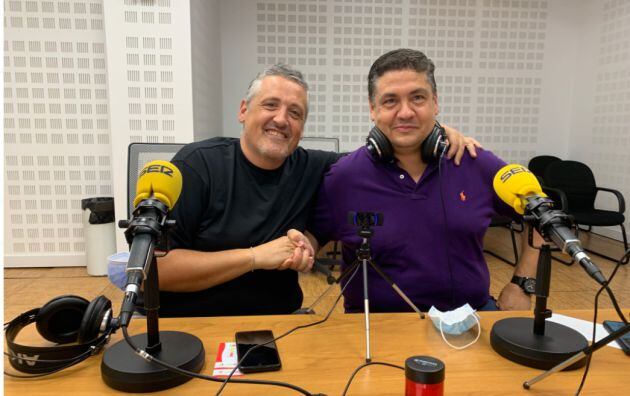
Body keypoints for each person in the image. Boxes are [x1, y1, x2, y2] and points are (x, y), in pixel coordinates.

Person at [156, 64, 478, 317]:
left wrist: (433, 133)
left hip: (279, 323)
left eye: (295, 113)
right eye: (271, 105)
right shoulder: (198, 166)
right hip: (192, 325)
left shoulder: (315, 168)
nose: (281, 120)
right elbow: (155, 269)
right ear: (243, 110)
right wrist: (255, 257)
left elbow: (384, 155)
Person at [308, 49, 540, 314]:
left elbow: (539, 215)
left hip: (469, 319)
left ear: (435, 103)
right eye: (390, 101)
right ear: (373, 109)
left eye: (417, 98)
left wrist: (522, 284)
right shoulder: (344, 177)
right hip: (376, 328)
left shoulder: (475, 162)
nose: (405, 112)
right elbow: (313, 235)